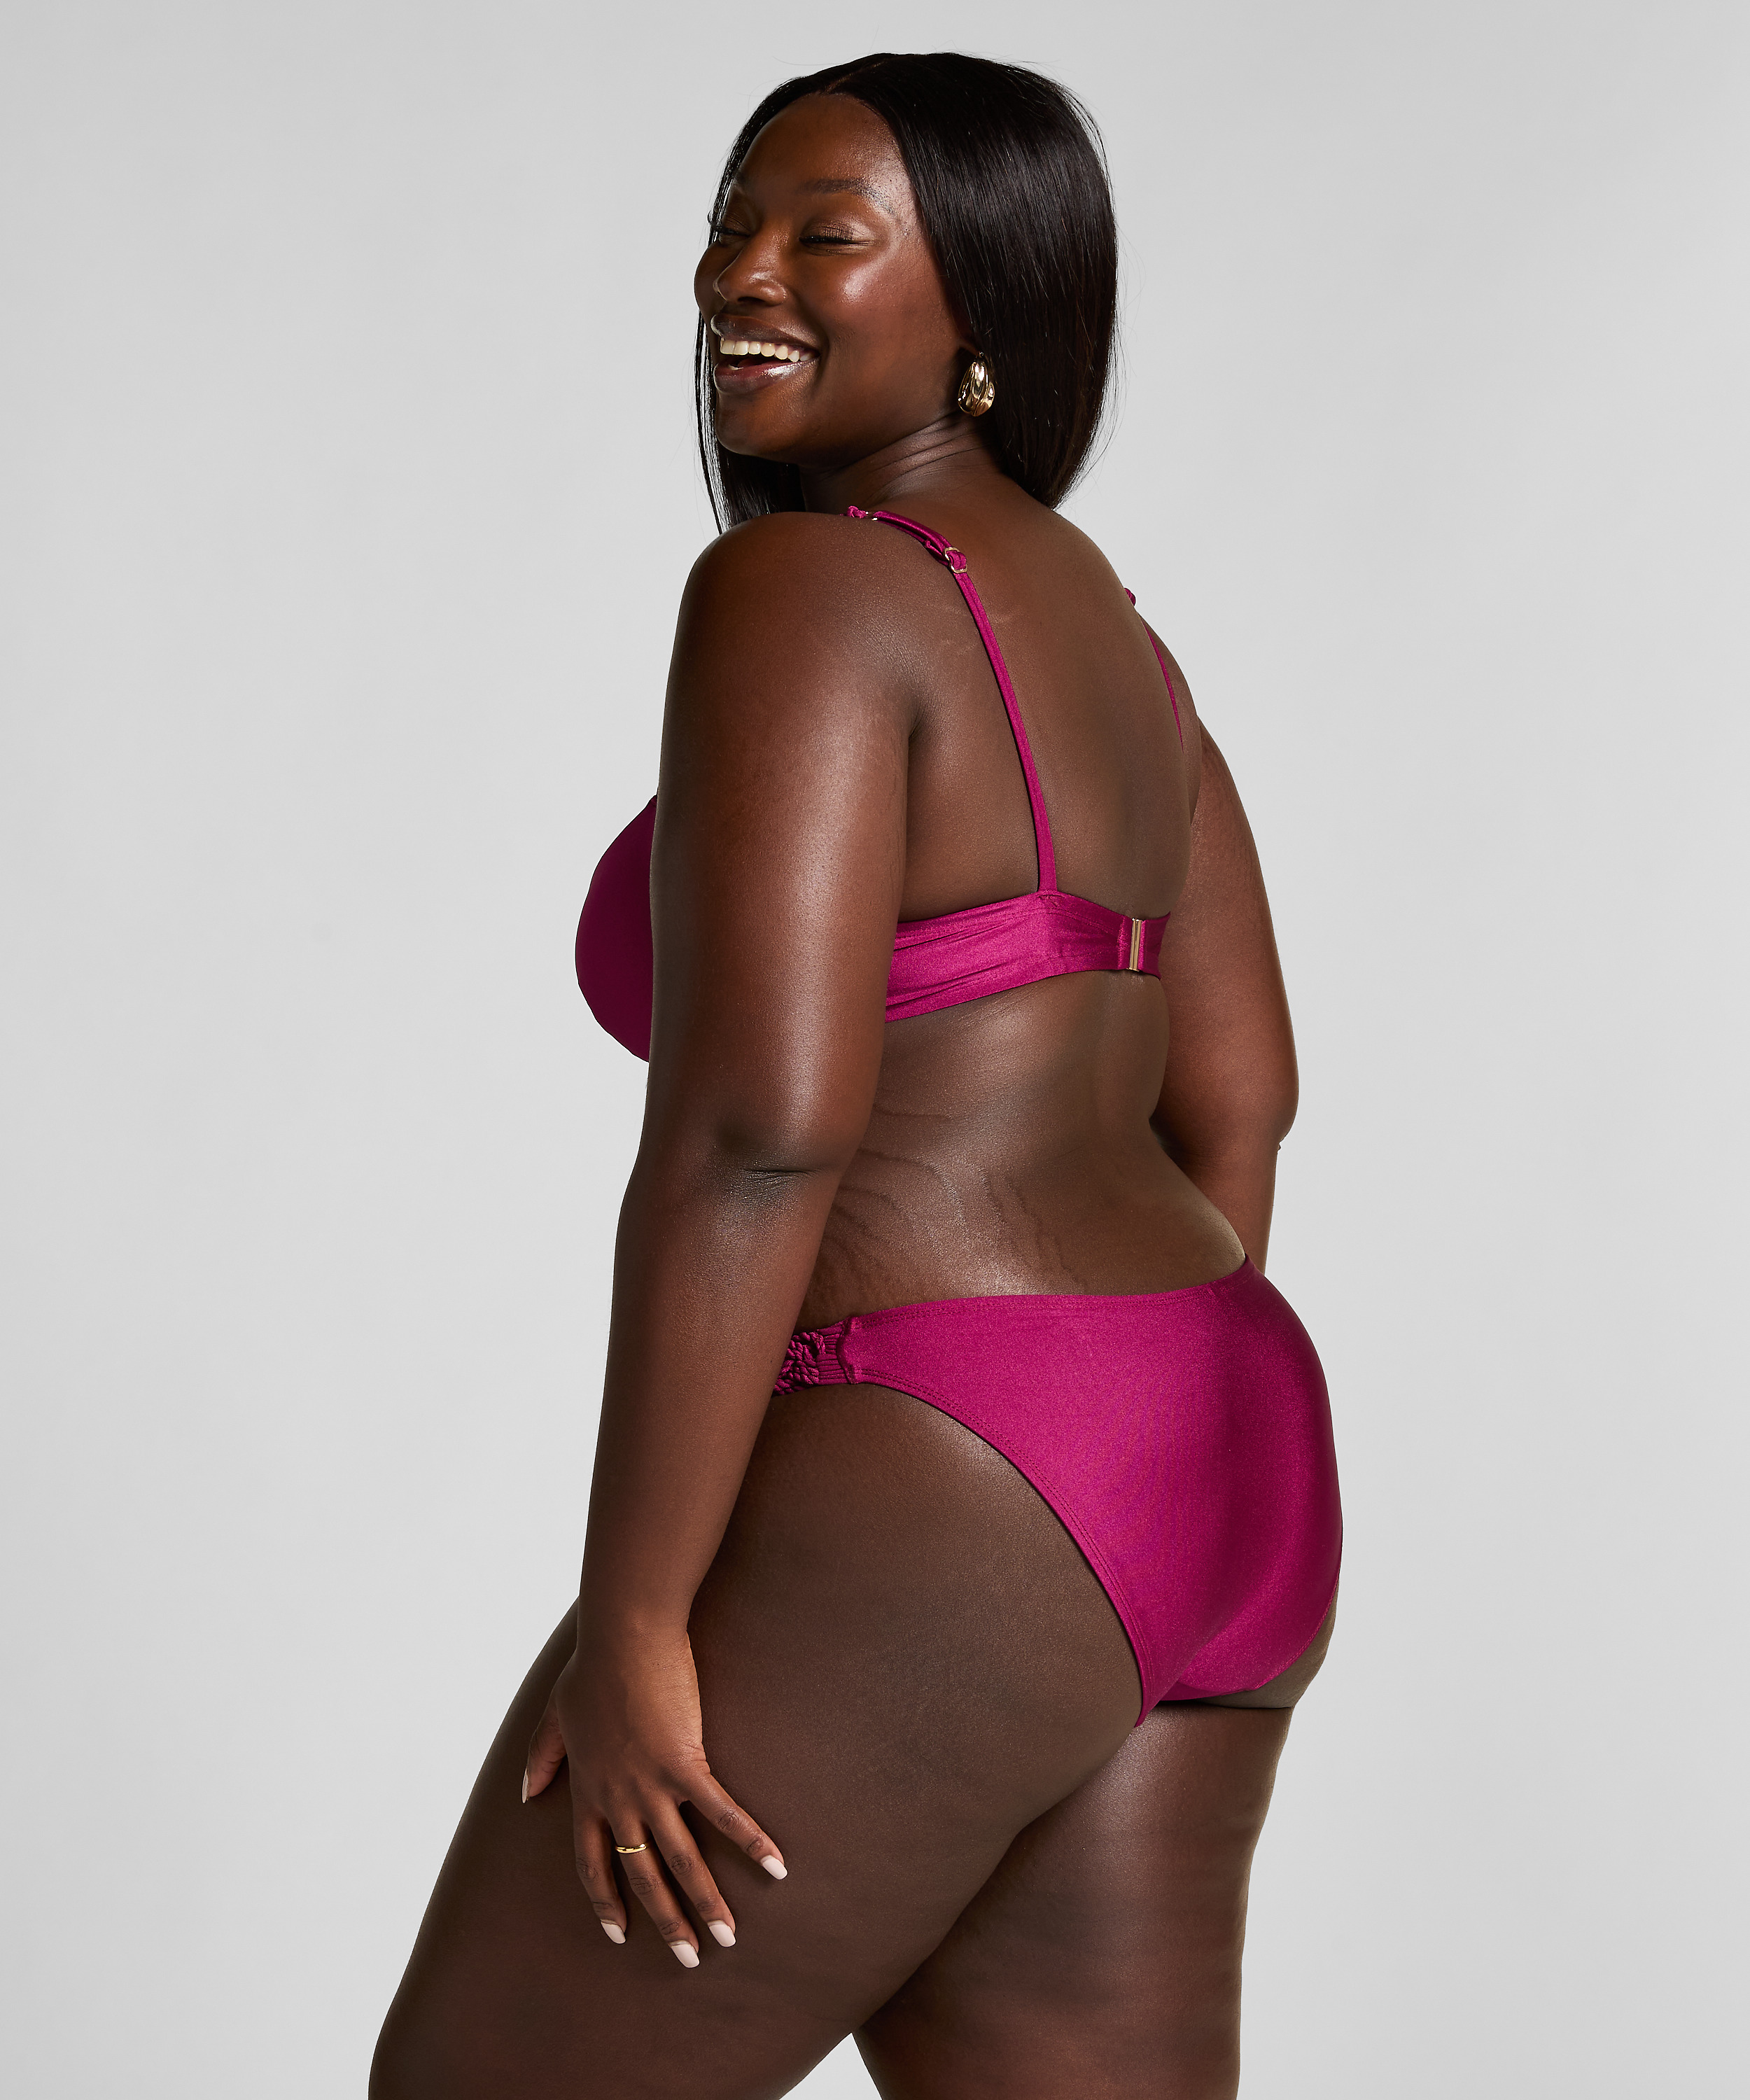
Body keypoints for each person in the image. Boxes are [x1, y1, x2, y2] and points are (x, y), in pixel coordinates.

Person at [372, 50, 1340, 2100]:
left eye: (829, 237)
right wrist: (1128, 1436)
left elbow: (758, 1134)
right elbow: (1238, 1097)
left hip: (957, 1447)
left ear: (987, 312)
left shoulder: (803, 591)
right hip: (1223, 1439)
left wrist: (640, 1621)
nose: (744, 274)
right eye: (735, 223)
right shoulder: (1124, 647)